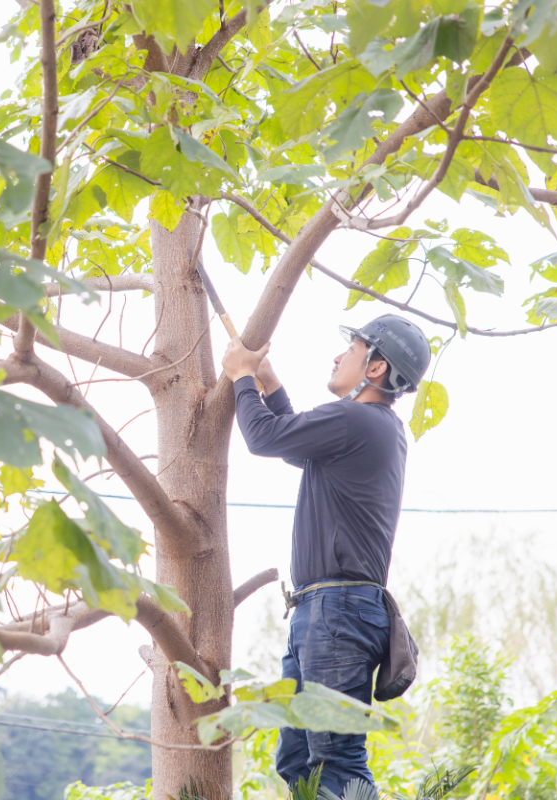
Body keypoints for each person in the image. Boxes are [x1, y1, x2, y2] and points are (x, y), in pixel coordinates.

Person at [219, 314, 432, 797]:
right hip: (328, 611)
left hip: (335, 613)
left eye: (352, 350)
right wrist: (267, 383)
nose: (339, 357)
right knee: (299, 762)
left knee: (336, 761)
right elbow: (295, 447)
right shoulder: (370, 425)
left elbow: (265, 439)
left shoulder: (355, 419)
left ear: (375, 368)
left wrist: (240, 376)